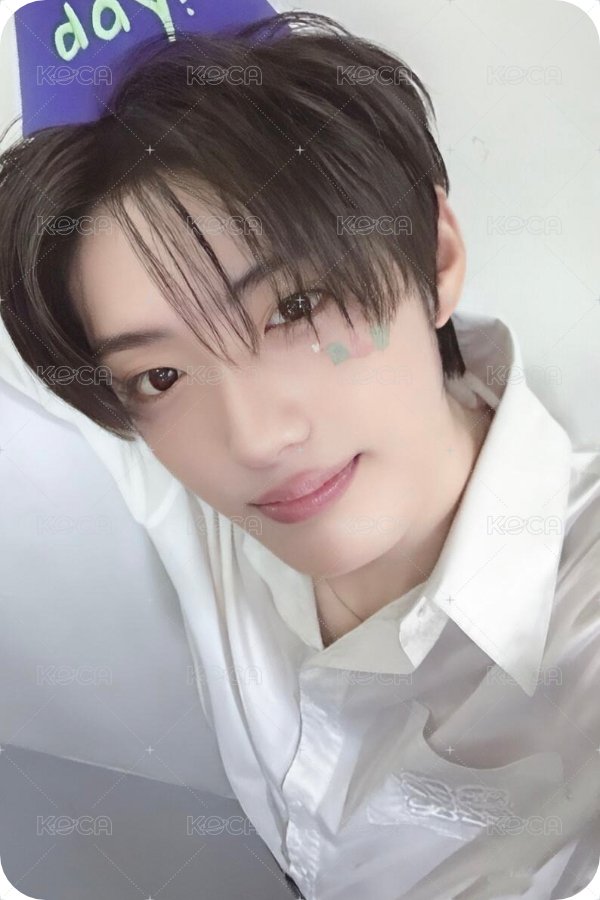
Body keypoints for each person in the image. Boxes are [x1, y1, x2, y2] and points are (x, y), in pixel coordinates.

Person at [0, 11, 599, 899]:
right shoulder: (185, 483)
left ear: (434, 256)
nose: (254, 440)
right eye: (162, 373)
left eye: (295, 307)